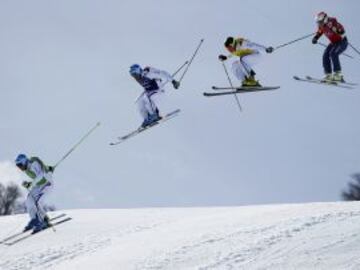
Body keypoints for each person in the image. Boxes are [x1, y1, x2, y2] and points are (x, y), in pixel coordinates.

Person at [129, 64, 180, 128]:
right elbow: (146, 84)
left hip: (158, 90)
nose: (134, 76)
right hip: (150, 92)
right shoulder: (139, 78)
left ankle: (154, 115)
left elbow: (163, 73)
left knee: (147, 97)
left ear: (138, 70)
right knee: (139, 101)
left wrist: (173, 81)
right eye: (132, 74)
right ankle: (147, 119)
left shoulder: (148, 73)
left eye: (135, 73)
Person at [15, 154, 54, 234]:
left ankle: (42, 221)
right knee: (29, 200)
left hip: (47, 184)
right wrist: (29, 184)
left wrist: (31, 184)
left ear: (24, 161)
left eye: (20, 165)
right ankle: (35, 220)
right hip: (39, 185)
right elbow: (38, 175)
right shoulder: (27, 169)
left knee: (36, 201)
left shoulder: (33, 163)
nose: (20, 168)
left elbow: (41, 174)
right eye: (18, 166)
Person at [312, 12, 348, 82]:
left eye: (320, 22)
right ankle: (328, 75)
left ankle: (338, 75)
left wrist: (337, 30)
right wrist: (315, 38)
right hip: (333, 43)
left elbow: (342, 31)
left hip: (342, 42)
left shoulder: (332, 22)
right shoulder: (322, 26)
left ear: (325, 19)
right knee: (325, 55)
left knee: (333, 54)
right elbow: (320, 32)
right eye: (318, 22)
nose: (319, 24)